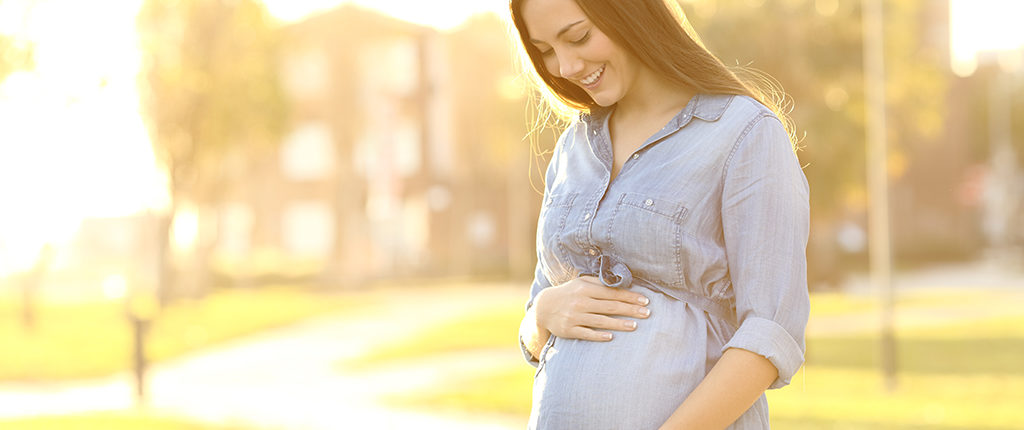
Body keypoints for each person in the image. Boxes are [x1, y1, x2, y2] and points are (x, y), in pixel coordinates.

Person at [510, 0, 810, 429]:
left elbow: (770, 333)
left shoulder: (744, 133)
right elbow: (536, 322)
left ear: (630, 13)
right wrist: (539, 317)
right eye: (545, 51)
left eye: (578, 37)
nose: (566, 66)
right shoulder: (573, 148)